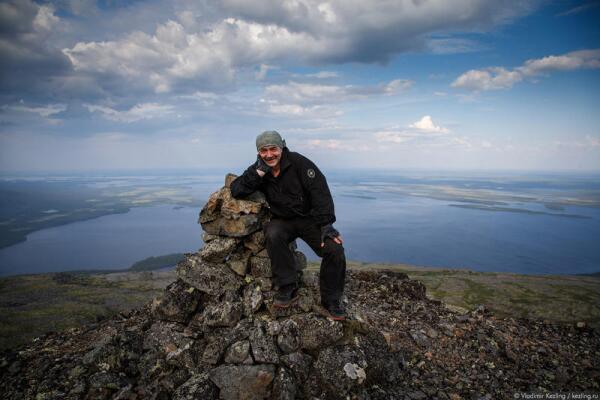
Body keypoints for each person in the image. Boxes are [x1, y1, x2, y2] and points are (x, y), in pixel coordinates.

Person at [230, 130, 346, 320]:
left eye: (273, 149)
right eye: (263, 151)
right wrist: (258, 173)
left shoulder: (300, 163)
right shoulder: (260, 168)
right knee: (273, 233)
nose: (269, 155)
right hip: (283, 220)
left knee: (334, 249)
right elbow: (237, 189)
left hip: (310, 220)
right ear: (258, 152)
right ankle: (287, 286)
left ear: (281, 146)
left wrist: (326, 225)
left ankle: (331, 300)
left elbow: (320, 191)